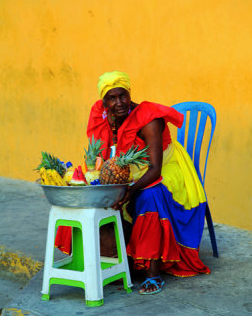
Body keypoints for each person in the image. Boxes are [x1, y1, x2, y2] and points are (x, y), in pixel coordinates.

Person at [87, 71, 210, 295]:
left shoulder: (148, 119)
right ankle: (119, 259)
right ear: (105, 102)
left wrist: (131, 191)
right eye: (112, 98)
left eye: (122, 96)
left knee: (149, 195)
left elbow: (155, 170)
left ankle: (153, 273)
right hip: (137, 168)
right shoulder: (105, 118)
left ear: (129, 93)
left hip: (168, 167)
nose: (119, 103)